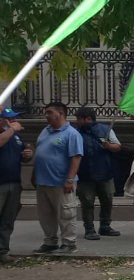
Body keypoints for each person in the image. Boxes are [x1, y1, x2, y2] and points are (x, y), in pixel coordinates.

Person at [32, 102, 83, 255]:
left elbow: (76, 157)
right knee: (45, 214)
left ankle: (69, 243)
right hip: (43, 181)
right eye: (46, 113)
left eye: (49, 112)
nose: (46, 115)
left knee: (66, 213)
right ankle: (50, 241)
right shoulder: (45, 131)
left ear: (61, 113)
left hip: (61, 183)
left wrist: (69, 180)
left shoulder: (71, 133)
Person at [73, 107, 122, 240]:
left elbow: (117, 146)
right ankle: (89, 229)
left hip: (105, 172)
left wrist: (109, 146)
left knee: (107, 199)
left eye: (78, 119)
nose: (76, 121)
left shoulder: (106, 130)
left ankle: (105, 226)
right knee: (87, 202)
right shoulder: (75, 133)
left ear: (88, 119)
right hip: (85, 174)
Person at [0, 107, 33, 262]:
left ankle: (3, 251)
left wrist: (26, 156)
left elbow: (20, 157)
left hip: (14, 184)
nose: (13, 121)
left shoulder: (15, 136)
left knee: (8, 219)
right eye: (9, 118)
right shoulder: (9, 133)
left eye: (14, 118)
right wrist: (12, 130)